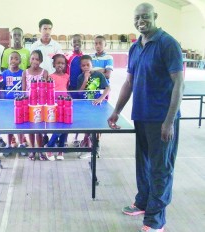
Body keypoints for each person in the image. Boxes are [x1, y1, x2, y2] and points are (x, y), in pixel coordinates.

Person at [107, 3, 184, 232]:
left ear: (155, 16)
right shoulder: (135, 47)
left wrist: (169, 121)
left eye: (146, 17)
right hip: (140, 115)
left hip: (162, 119)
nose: (141, 21)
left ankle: (156, 219)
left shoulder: (167, 44)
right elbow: (129, 82)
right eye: (137, 17)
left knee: (161, 168)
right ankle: (142, 202)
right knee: (144, 164)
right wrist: (116, 111)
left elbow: (179, 84)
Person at [77, 55, 110, 159]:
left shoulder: (99, 75)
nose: (86, 67)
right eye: (83, 65)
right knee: (87, 127)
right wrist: (85, 80)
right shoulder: (80, 77)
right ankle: (89, 146)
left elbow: (108, 88)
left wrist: (100, 99)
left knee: (96, 128)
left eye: (88, 65)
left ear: (92, 65)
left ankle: (93, 148)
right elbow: (79, 93)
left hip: (97, 105)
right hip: (85, 105)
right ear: (80, 67)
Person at [22, 50, 48, 161]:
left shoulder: (45, 72)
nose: (34, 61)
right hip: (29, 104)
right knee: (31, 129)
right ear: (29, 60)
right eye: (32, 58)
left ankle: (41, 150)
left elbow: (46, 89)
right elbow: (23, 90)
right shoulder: (25, 72)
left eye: (37, 59)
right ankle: (32, 149)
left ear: (41, 61)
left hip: (40, 104)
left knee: (39, 130)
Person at [2, 51, 28, 156]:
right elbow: (2, 89)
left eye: (16, 58)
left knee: (20, 126)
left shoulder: (23, 73)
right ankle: (9, 144)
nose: (13, 60)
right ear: (8, 60)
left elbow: (24, 88)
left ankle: (21, 144)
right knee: (9, 126)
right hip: (8, 104)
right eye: (11, 58)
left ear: (20, 61)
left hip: (20, 104)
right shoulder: (4, 74)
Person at [45, 54, 69, 161]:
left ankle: (61, 148)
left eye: (62, 63)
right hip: (54, 106)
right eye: (58, 63)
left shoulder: (67, 76)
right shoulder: (50, 77)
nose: (60, 65)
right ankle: (49, 146)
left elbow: (67, 90)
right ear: (54, 64)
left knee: (66, 128)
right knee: (59, 128)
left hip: (66, 105)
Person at [65, 34, 84, 147]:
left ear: (82, 43)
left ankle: (76, 137)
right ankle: (65, 138)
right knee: (68, 113)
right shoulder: (69, 57)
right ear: (71, 44)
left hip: (81, 89)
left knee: (79, 114)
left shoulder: (85, 57)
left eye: (78, 41)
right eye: (74, 41)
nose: (76, 43)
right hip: (71, 89)